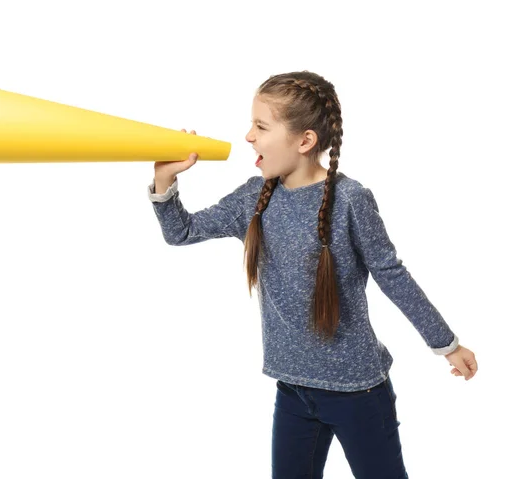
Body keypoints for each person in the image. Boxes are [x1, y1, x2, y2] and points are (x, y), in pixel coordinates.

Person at [147, 70, 478, 479]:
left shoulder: (350, 200)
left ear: (305, 141)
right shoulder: (255, 196)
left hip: (358, 392)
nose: (248, 136)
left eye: (261, 126)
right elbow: (181, 232)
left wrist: (446, 344)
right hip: (293, 390)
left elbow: (393, 276)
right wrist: (165, 180)